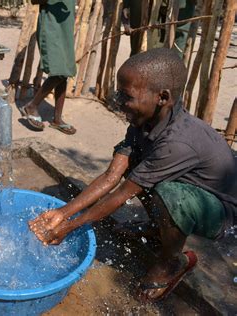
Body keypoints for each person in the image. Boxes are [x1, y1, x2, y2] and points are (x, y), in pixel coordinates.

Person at [29, 48, 236, 302]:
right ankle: (157, 230)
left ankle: (171, 262)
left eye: (126, 96)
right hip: (189, 187)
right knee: (143, 169)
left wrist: (69, 228)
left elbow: (123, 193)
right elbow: (111, 176)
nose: (118, 101)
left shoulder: (177, 143)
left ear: (162, 97)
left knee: (167, 193)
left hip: (220, 213)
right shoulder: (143, 121)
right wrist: (63, 214)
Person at [20, 0, 77, 135]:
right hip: (51, 28)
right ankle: (32, 106)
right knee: (59, 71)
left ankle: (57, 119)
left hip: (65, 29)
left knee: (65, 72)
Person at [122, 0, 196, 57]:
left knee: (175, 57)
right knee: (139, 54)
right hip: (146, 11)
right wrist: (126, 5)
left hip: (181, 11)